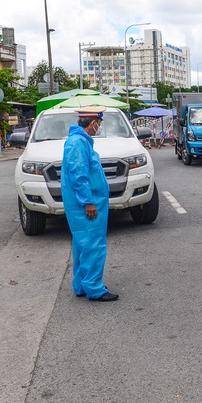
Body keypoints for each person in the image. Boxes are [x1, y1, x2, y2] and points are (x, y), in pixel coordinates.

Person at [61, 107, 118, 302]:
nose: (99, 127)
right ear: (93, 123)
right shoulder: (78, 143)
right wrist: (88, 202)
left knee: (82, 245)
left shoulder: (80, 141)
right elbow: (79, 175)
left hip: (86, 202)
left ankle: (81, 285)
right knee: (94, 245)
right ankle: (94, 288)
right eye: (99, 124)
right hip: (86, 204)